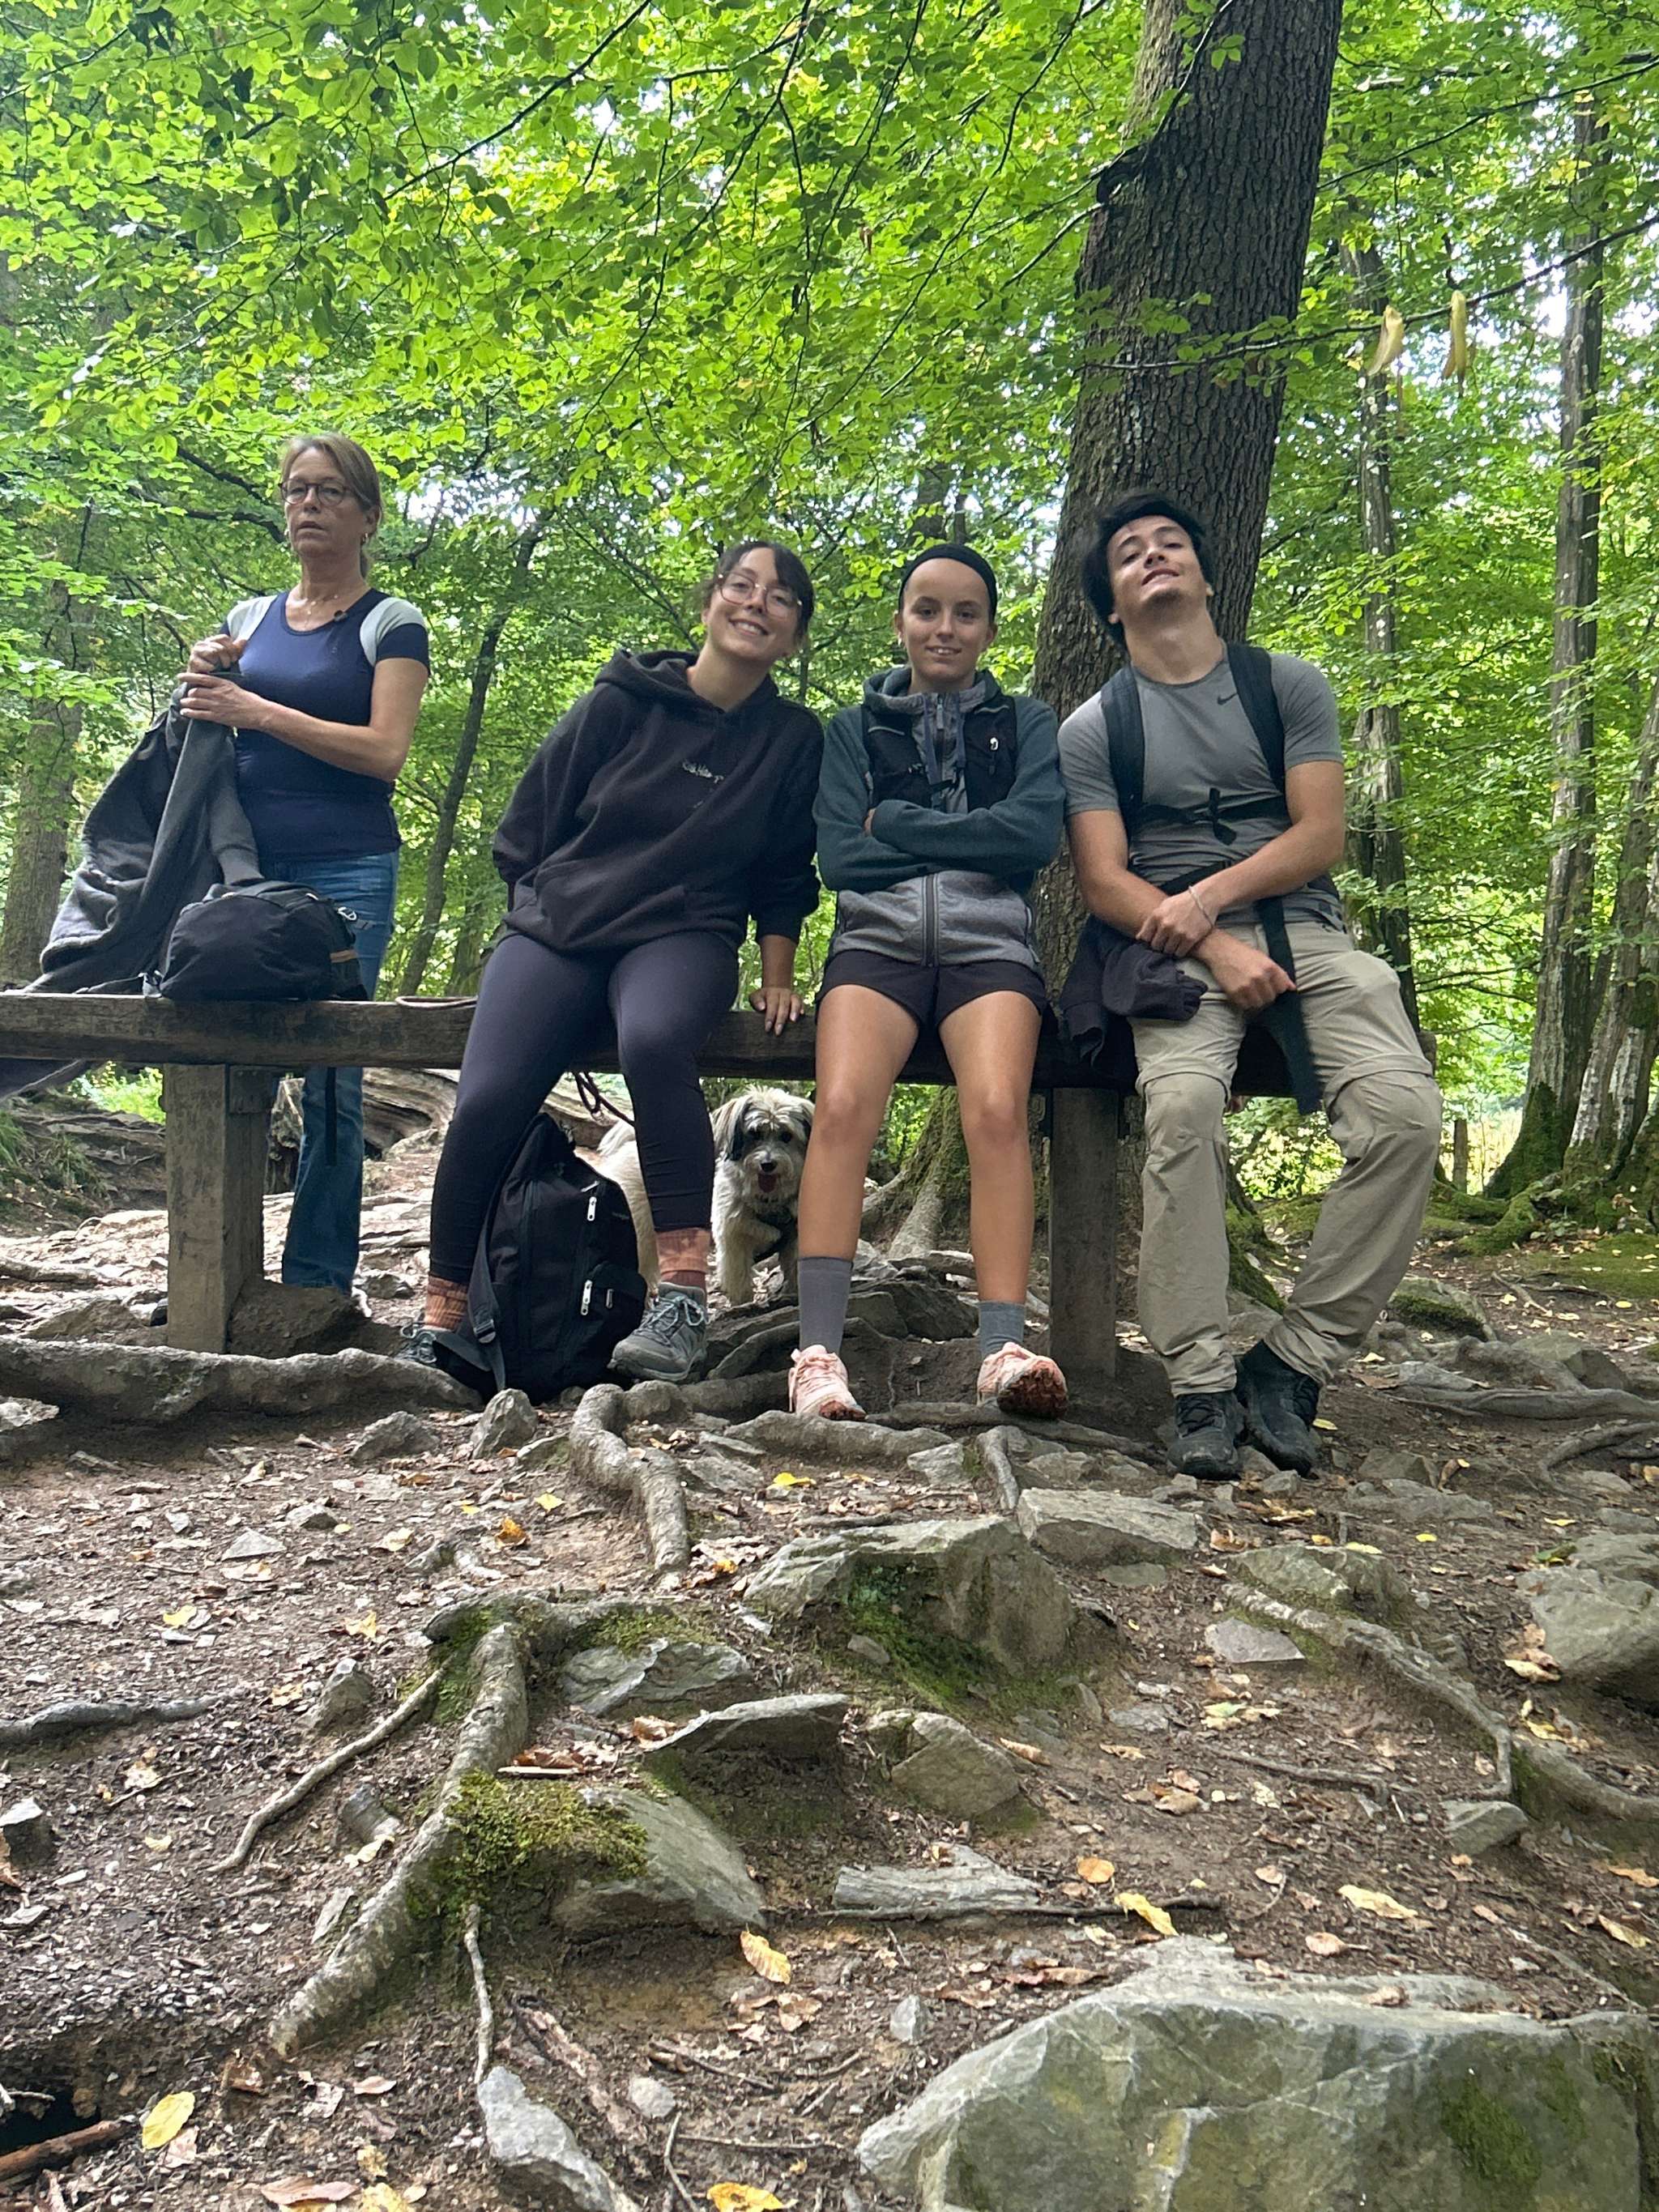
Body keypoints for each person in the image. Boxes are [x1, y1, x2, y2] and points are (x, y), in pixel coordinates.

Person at [1059, 490, 1442, 1477]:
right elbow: (1104, 881)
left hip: (1308, 932)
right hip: (1169, 956)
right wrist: (1212, 943)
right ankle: (1196, 1386)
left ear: (1204, 573)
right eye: (1130, 553)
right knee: (1182, 1110)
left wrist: (1213, 897)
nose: (1153, 557)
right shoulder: (1096, 727)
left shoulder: (1285, 686)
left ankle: (1293, 1361)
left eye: (1170, 544)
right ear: (1109, 603)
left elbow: (1319, 835)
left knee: (1403, 1117)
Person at [404, 540, 822, 1386]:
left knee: (655, 1040)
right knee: (486, 1095)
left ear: (794, 636)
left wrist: (776, 973)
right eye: (741, 585)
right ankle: (441, 1313)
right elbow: (529, 822)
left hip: (685, 932)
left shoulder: (790, 739)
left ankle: (680, 1300)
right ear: (709, 601)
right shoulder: (622, 698)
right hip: (561, 926)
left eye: (779, 597)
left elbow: (785, 871)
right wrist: (540, 916)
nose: (756, 602)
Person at [790, 543, 1068, 1423]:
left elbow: (1031, 839)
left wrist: (900, 822)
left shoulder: (1026, 723)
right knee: (841, 1108)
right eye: (927, 609)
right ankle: (816, 1357)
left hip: (991, 948)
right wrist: (969, 836)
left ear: (988, 628)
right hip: (874, 943)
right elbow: (842, 857)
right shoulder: (852, 730)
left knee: (996, 1109)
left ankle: (1001, 1351)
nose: (944, 627)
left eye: (964, 612)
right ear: (900, 621)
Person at [178, 433, 429, 1294]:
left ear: (368, 516)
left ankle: (316, 1285)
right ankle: (209, 1270)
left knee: (331, 1076)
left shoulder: (391, 624)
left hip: (349, 869)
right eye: (296, 490)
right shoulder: (249, 620)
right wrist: (206, 675)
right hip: (243, 874)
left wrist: (256, 709)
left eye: (329, 491)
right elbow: (209, 727)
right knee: (217, 1049)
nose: (309, 505)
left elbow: (384, 752)